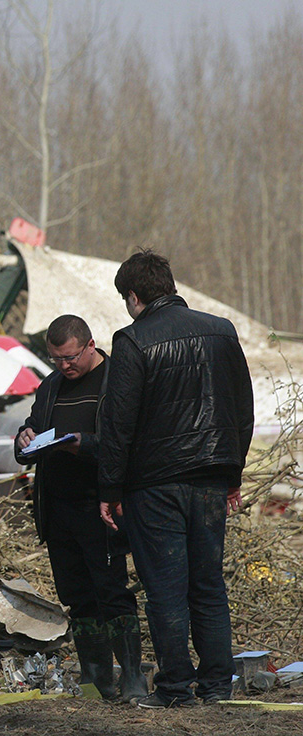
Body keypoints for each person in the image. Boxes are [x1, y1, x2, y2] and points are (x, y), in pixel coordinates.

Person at [98, 249, 254, 709]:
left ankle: (174, 691)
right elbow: (241, 409)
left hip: (155, 484)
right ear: (169, 285)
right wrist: (233, 473)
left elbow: (118, 424)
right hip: (210, 480)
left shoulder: (131, 340)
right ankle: (216, 688)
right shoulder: (222, 331)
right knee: (208, 587)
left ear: (133, 295)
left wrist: (109, 490)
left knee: (166, 591)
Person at [14, 315, 145, 702]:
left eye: (70, 357)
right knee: (76, 595)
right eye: (55, 359)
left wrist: (84, 445)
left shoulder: (116, 380)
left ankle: (133, 676)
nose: (64, 366)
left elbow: (128, 445)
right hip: (57, 508)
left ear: (90, 345)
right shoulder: (51, 385)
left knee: (112, 592)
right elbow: (31, 434)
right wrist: (23, 439)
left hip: (101, 505)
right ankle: (95, 678)